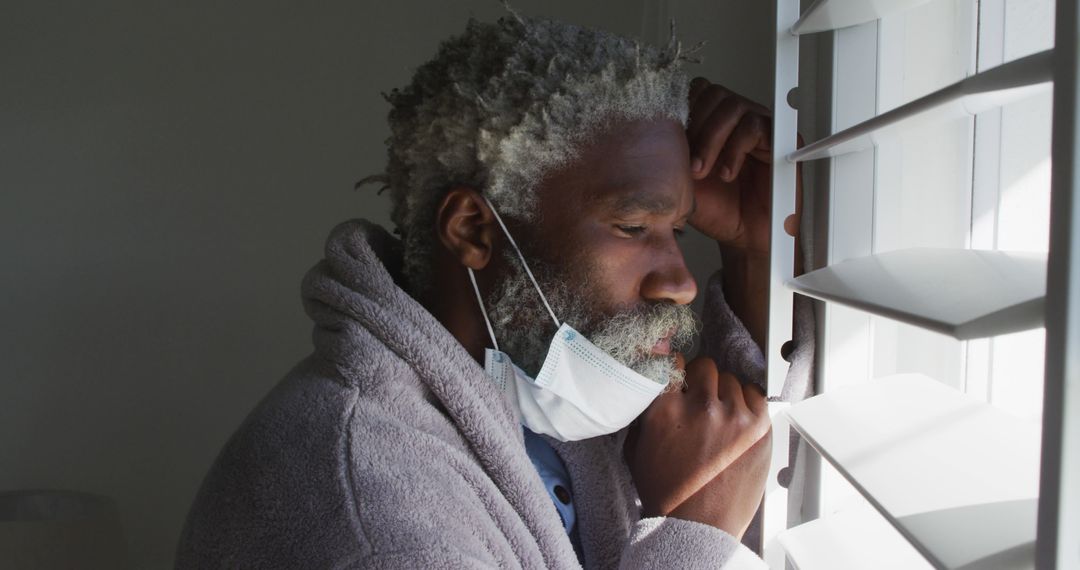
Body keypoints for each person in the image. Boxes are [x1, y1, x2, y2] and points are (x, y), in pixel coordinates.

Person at [177, 11, 806, 569]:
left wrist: (756, 254)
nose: (681, 281)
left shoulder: (537, 383)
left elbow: (722, 441)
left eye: (679, 227)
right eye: (634, 226)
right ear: (475, 229)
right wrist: (689, 540)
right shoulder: (372, 518)